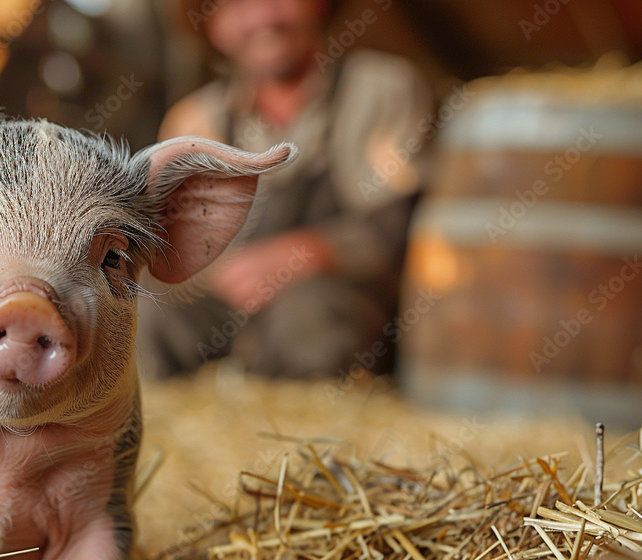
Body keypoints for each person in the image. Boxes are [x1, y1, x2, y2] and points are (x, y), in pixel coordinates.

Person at [136, 0, 434, 377]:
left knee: (310, 323)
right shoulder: (196, 118)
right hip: (227, 301)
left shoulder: (380, 89)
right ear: (213, 27)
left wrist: (313, 252)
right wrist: (217, 275)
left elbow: (398, 225)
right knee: (145, 312)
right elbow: (173, 247)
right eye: (234, 6)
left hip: (333, 295)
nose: (263, 17)